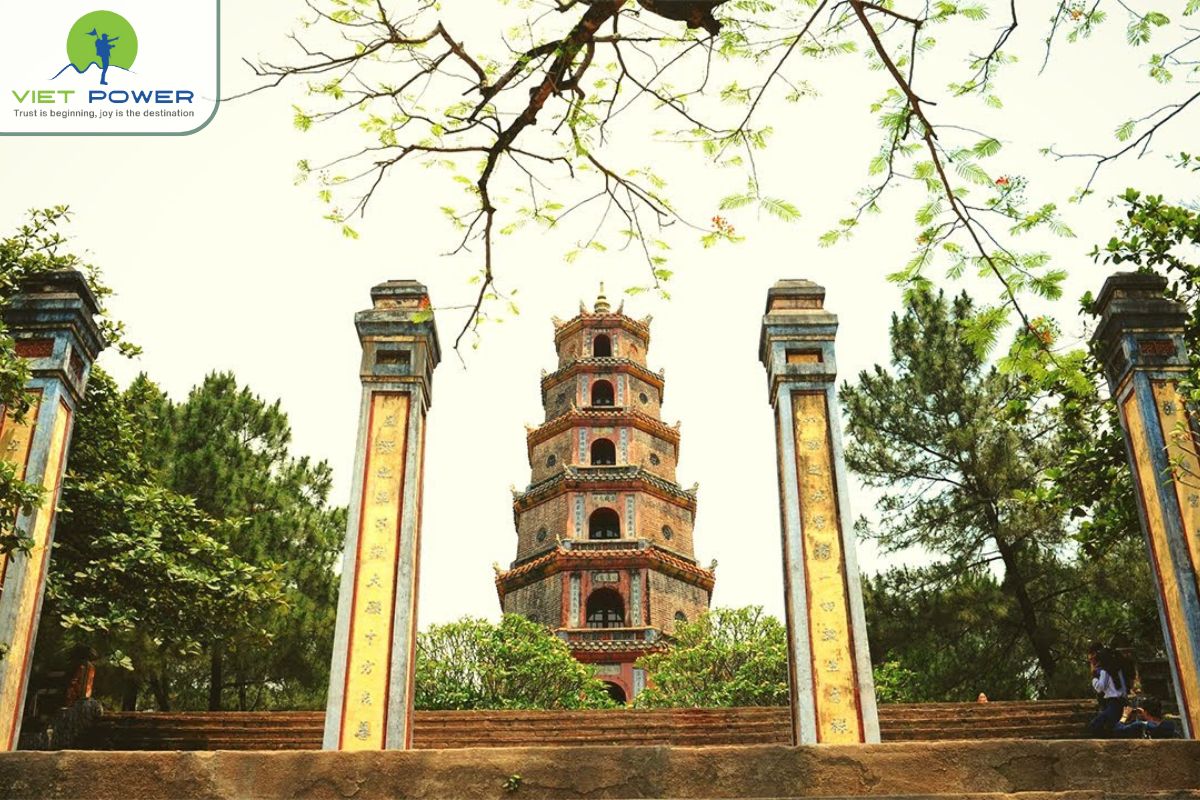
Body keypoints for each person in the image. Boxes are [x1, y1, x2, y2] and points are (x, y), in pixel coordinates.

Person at [1086, 641, 1129, 738]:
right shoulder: (1116, 669)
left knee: (1095, 725)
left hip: (1114, 702)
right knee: (1111, 726)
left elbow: (1100, 688)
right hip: (1117, 701)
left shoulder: (1104, 671)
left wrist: (1094, 678)